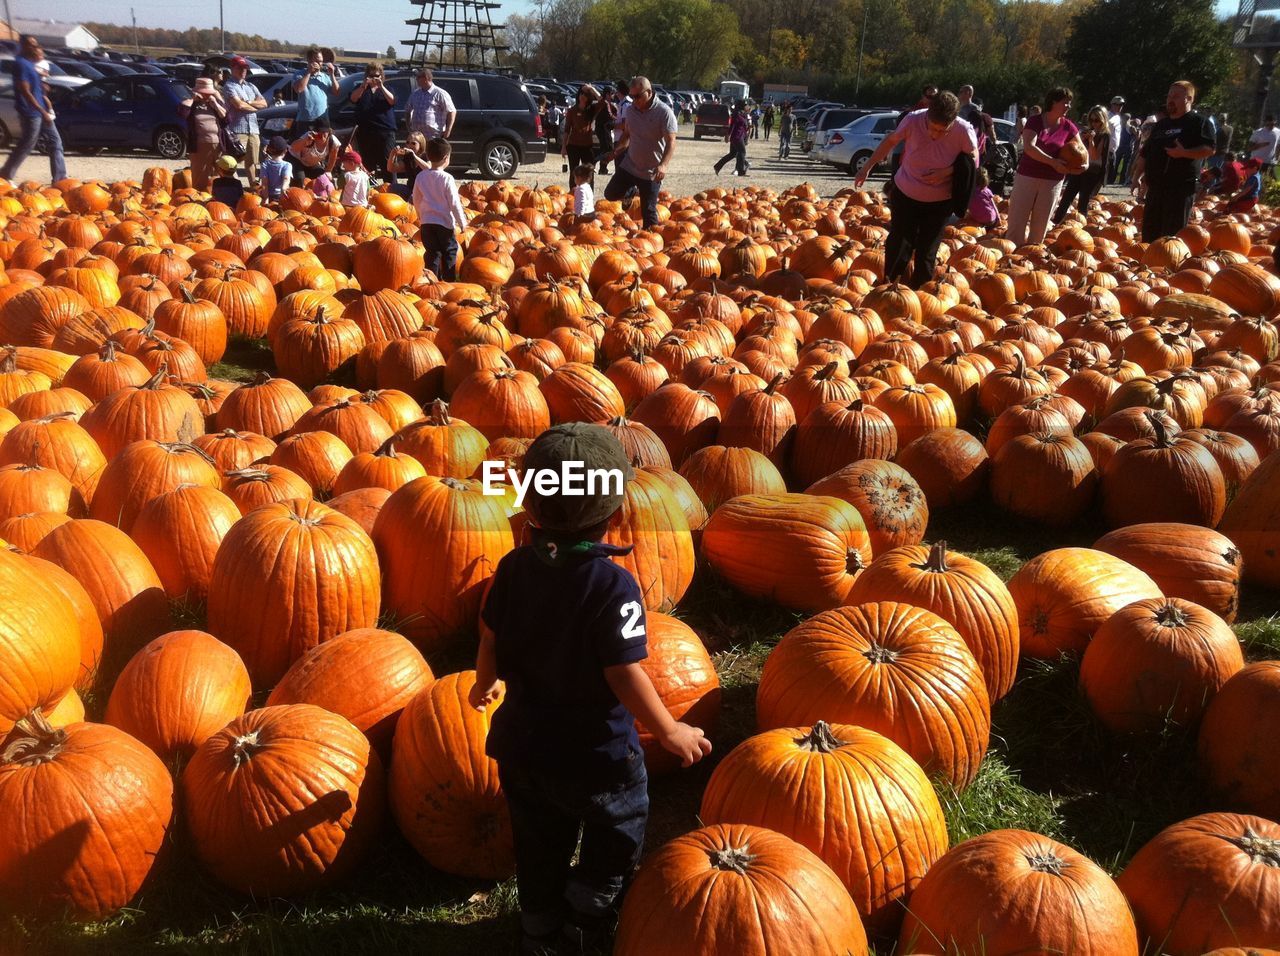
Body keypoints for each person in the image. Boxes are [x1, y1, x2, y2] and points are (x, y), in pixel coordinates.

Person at [471, 423, 711, 955]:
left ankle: (538, 928)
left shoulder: (511, 570)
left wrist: (486, 684)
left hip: (524, 750)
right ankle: (588, 917)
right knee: (617, 829)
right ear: (619, 512)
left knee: (538, 844)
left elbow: (490, 635)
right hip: (596, 755)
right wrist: (668, 729)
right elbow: (623, 671)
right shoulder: (614, 586)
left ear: (528, 506)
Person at [853, 91, 979, 288]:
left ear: (953, 121)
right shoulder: (913, 120)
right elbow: (890, 141)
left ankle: (919, 291)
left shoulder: (963, 130)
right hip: (906, 192)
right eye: (932, 128)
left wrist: (947, 172)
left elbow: (973, 160)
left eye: (942, 130)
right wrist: (867, 167)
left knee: (927, 250)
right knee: (899, 242)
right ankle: (888, 286)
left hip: (939, 201)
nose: (934, 134)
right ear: (927, 115)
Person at [1132, 81, 1215, 241]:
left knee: (1170, 237)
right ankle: (1148, 264)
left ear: (1189, 99)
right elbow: (1146, 152)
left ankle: (1166, 266)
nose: (1170, 100)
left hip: (1180, 188)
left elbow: (1209, 149)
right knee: (1149, 234)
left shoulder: (1199, 123)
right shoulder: (1162, 125)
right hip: (1156, 187)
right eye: (1169, 96)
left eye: (1176, 96)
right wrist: (1136, 177)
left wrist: (1184, 153)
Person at [1005, 86, 1081, 247]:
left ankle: (1032, 257)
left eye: (1069, 103)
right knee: (1017, 222)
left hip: (1053, 181)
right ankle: (1009, 258)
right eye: (1065, 103)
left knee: (1040, 227)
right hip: (1027, 177)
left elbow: (1081, 150)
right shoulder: (1035, 121)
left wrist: (1083, 165)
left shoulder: (1069, 127)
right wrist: (1053, 162)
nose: (1068, 106)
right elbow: (1029, 147)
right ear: (1053, 102)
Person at [603, 76, 677, 230]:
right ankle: (631, 190)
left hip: (651, 172)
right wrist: (614, 152)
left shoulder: (664, 113)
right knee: (610, 194)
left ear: (649, 92)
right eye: (632, 96)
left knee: (648, 213)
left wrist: (663, 165)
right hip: (630, 165)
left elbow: (671, 142)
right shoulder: (631, 111)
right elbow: (627, 135)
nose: (634, 100)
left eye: (638, 96)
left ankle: (651, 245)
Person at [0, 35, 65, 185]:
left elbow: (35, 88)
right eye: (31, 45)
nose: (35, 48)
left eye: (36, 45)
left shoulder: (30, 65)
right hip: (31, 112)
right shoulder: (21, 64)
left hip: (41, 111)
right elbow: (25, 91)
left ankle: (60, 178)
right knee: (27, 143)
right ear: (23, 46)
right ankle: (6, 173)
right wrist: (42, 111)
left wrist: (43, 86)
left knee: (56, 142)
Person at [412, 137, 468, 281]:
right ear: (446, 158)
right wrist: (462, 222)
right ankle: (449, 280)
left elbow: (416, 199)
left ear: (428, 156)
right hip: (444, 223)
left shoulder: (421, 176)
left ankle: (433, 281)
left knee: (432, 252)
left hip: (427, 223)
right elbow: (454, 203)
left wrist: (420, 215)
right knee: (449, 251)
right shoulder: (447, 178)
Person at [1053, 105, 1110, 224]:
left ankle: (1081, 226)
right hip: (1080, 168)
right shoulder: (1086, 132)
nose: (1094, 123)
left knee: (1083, 201)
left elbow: (1094, 156)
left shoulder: (1105, 135)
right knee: (1067, 196)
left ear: (1103, 120)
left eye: (1097, 120)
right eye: (1091, 120)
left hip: (1093, 171)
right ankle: (1056, 222)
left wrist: (1091, 141)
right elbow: (1077, 151)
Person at [222, 55, 266, 188]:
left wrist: (248, 103)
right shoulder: (229, 86)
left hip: (253, 129)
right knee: (233, 161)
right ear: (232, 68)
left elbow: (264, 103)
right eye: (240, 68)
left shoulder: (251, 86)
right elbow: (238, 105)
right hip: (237, 129)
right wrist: (252, 107)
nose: (243, 71)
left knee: (252, 161)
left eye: (245, 68)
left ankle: (253, 188)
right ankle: (231, 187)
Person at [349, 62, 396, 182]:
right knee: (368, 164)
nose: (374, 78)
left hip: (385, 132)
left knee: (387, 163)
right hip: (366, 132)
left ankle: (392, 190)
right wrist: (363, 86)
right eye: (371, 75)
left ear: (381, 76)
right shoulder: (361, 88)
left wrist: (381, 86)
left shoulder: (388, 88)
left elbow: (392, 101)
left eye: (377, 75)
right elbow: (353, 98)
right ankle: (370, 190)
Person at [181, 77, 228, 191]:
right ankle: (199, 201)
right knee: (199, 176)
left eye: (209, 93)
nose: (207, 95)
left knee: (221, 174)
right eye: (204, 93)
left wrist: (215, 104)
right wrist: (193, 99)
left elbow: (227, 119)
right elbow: (182, 113)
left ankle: (221, 198)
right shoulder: (191, 105)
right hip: (200, 145)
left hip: (218, 145)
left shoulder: (214, 104)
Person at [292, 46, 339, 135]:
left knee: (323, 146)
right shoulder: (299, 74)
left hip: (323, 119)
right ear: (309, 61)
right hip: (305, 120)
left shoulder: (325, 77)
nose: (320, 64)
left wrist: (332, 75)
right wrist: (309, 72)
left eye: (321, 61)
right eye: (317, 61)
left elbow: (336, 92)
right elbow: (299, 89)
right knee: (306, 146)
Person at [562, 85, 602, 190]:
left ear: (589, 97)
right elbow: (566, 130)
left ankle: (589, 194)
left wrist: (592, 89)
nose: (583, 96)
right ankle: (573, 195)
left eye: (586, 94)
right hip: (573, 145)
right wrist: (563, 147)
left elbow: (602, 102)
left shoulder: (592, 109)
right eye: (581, 93)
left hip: (587, 146)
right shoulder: (572, 111)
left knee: (588, 172)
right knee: (574, 172)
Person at [407, 69, 457, 141]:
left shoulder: (440, 93)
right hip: (417, 137)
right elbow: (408, 109)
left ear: (425, 78)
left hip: (434, 136)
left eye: (418, 77)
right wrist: (409, 127)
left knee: (433, 152)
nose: (416, 79)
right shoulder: (415, 94)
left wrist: (448, 130)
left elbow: (452, 111)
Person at [287, 120, 340, 187]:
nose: (321, 134)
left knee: (323, 179)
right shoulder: (309, 136)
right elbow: (293, 148)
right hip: (296, 159)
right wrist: (305, 141)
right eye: (319, 131)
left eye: (324, 132)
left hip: (311, 163)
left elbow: (333, 156)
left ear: (329, 132)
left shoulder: (333, 141)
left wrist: (328, 171)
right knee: (300, 179)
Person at [387, 131, 430, 199]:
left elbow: (429, 169)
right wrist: (393, 154)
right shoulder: (408, 158)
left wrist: (414, 156)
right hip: (411, 188)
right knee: (391, 188)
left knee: (412, 198)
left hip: (425, 191)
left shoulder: (425, 156)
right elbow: (391, 168)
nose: (409, 145)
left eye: (413, 143)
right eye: (407, 142)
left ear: (420, 145)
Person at [714, 102, 750, 177]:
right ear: (741, 106)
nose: (747, 106)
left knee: (732, 154)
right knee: (742, 152)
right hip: (737, 137)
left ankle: (717, 167)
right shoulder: (736, 114)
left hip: (740, 136)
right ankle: (741, 171)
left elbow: (744, 126)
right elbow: (732, 125)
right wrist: (728, 135)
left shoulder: (743, 114)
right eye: (745, 105)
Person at [259, 135, 292, 201]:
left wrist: (266, 198)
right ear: (285, 151)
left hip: (269, 195)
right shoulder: (287, 165)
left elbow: (264, 183)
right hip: (281, 195)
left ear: (269, 150)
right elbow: (286, 178)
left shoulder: (265, 164)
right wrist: (283, 188)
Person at [594, 88, 618, 174]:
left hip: (603, 128)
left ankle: (602, 169)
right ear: (607, 94)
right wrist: (619, 119)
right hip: (603, 129)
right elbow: (609, 115)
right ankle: (593, 161)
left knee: (605, 149)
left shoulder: (606, 103)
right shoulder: (605, 103)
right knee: (607, 149)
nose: (613, 95)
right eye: (612, 93)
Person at [1248, 115, 1279, 180]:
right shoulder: (1258, 132)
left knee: (1265, 182)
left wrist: (1277, 159)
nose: (1270, 126)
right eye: (1268, 124)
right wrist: (1260, 145)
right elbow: (1249, 148)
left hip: (1269, 162)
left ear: (1275, 123)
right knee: (1253, 181)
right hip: (1256, 161)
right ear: (1265, 123)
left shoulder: (1278, 132)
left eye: (1272, 124)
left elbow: (1278, 146)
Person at [1107, 95, 1125, 183]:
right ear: (1111, 104)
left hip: (1112, 151)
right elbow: (1109, 124)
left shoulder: (1116, 117)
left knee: (1108, 175)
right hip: (1107, 150)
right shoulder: (1113, 117)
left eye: (1121, 105)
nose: (1119, 106)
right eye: (1116, 104)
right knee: (1106, 175)